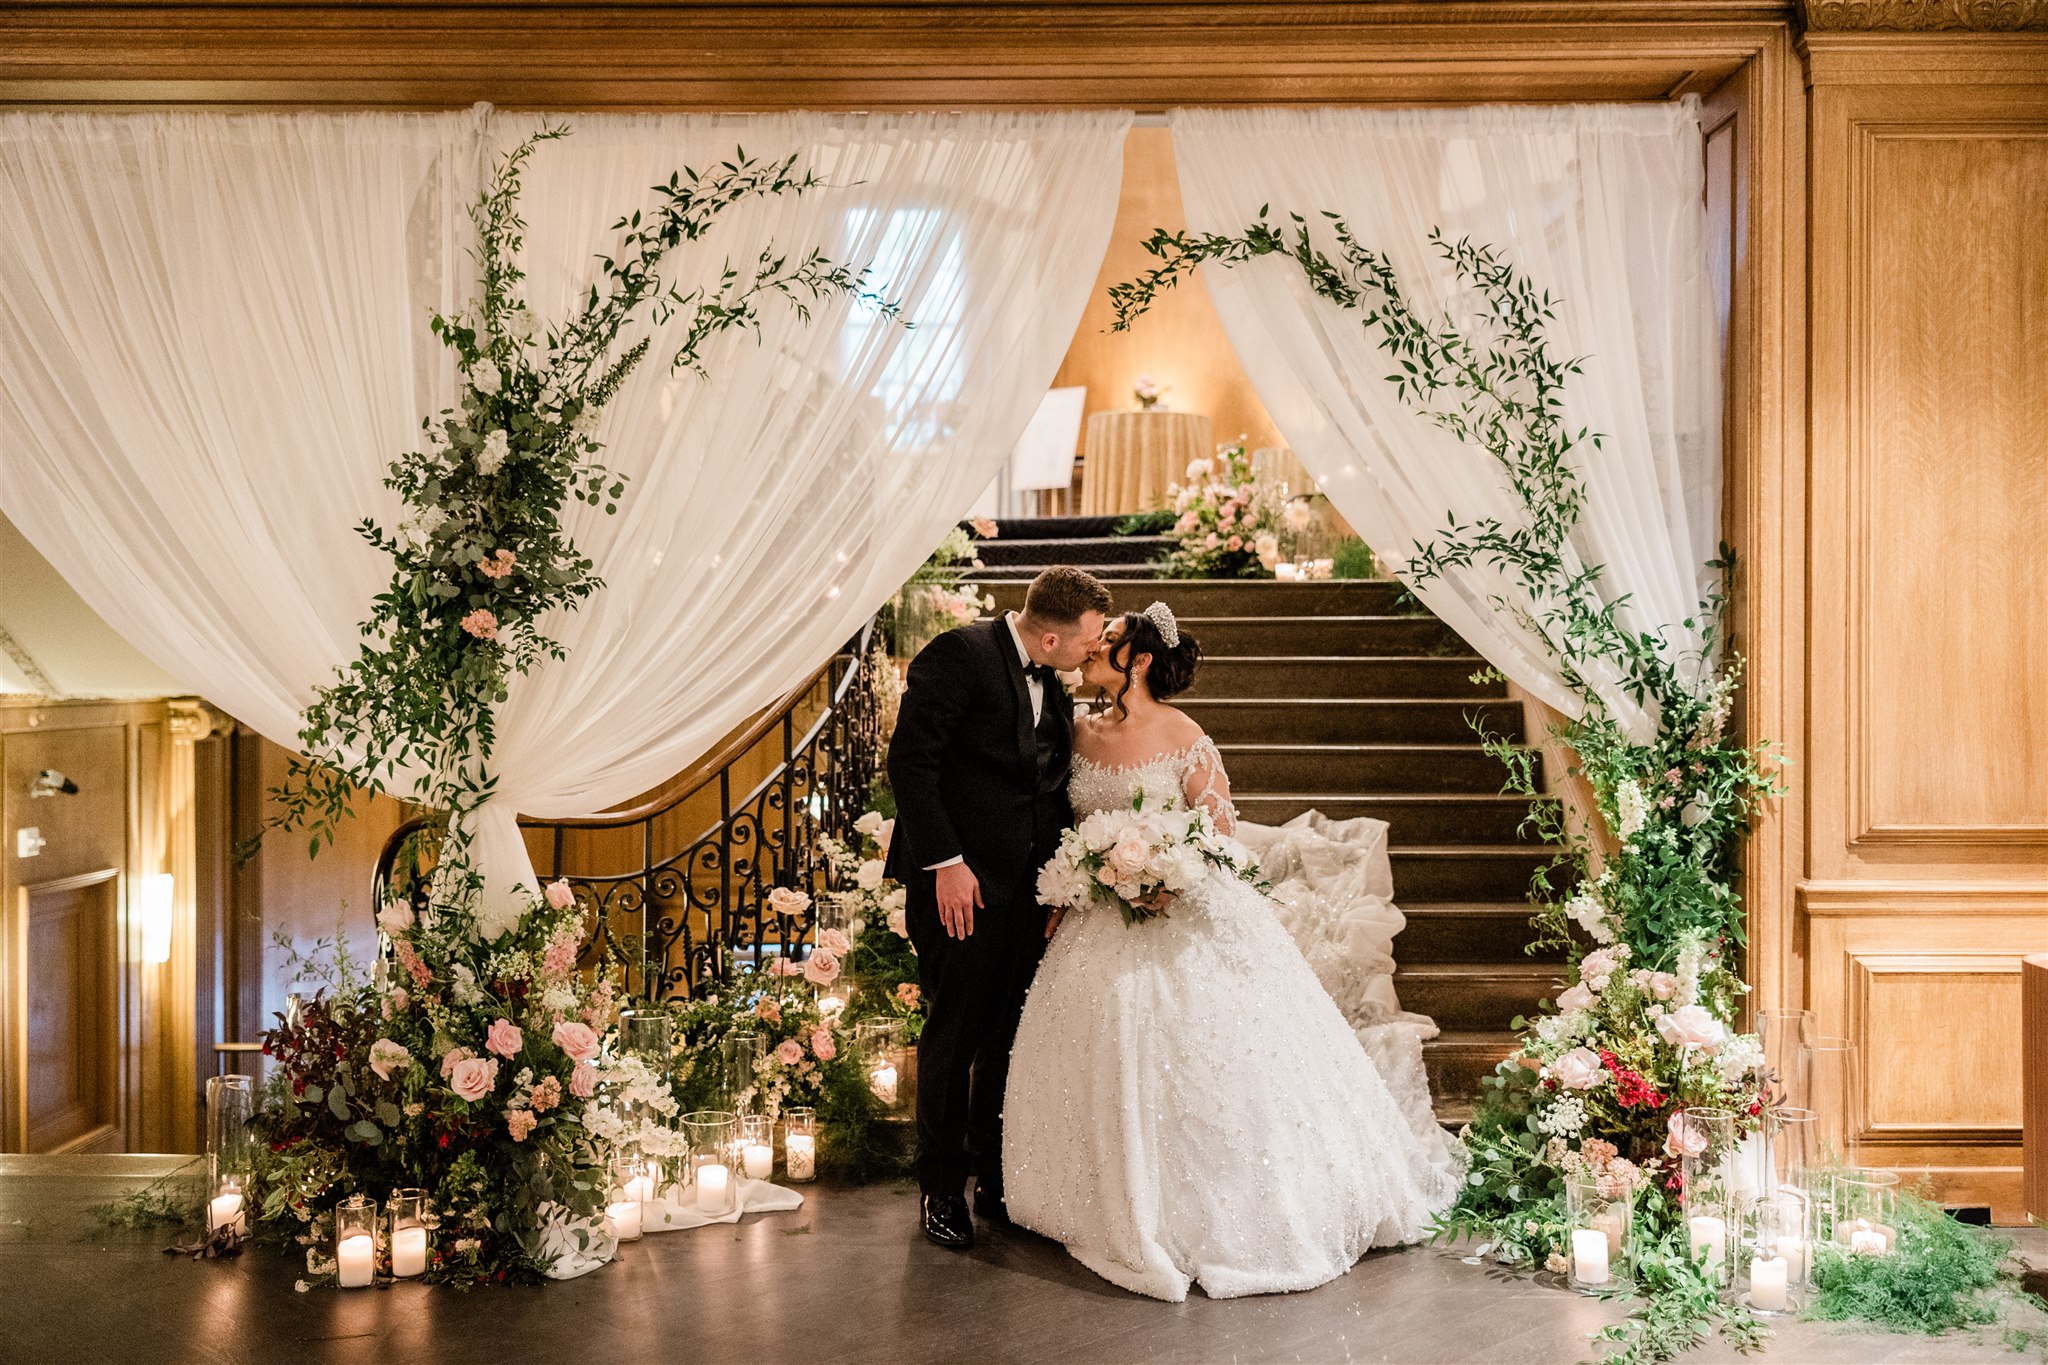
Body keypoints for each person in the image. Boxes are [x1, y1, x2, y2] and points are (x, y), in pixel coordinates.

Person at [1002, 602, 1465, 1301]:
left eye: (1109, 642)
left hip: (1179, 915)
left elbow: (1216, 837)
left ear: (1142, 658)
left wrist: (1166, 874)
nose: (1093, 649)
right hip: (1095, 920)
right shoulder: (1075, 729)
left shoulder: (1187, 737)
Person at [883, 564, 1112, 1249]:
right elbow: (910, 765)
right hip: (961, 891)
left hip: (1027, 894)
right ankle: (941, 1189)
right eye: (1087, 640)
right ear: (1049, 636)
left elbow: (1045, 790)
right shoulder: (960, 655)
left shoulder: (1056, 683)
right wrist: (946, 864)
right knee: (955, 1033)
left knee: (1008, 1036)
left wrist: (1059, 887)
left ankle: (995, 1177)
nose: (1093, 651)